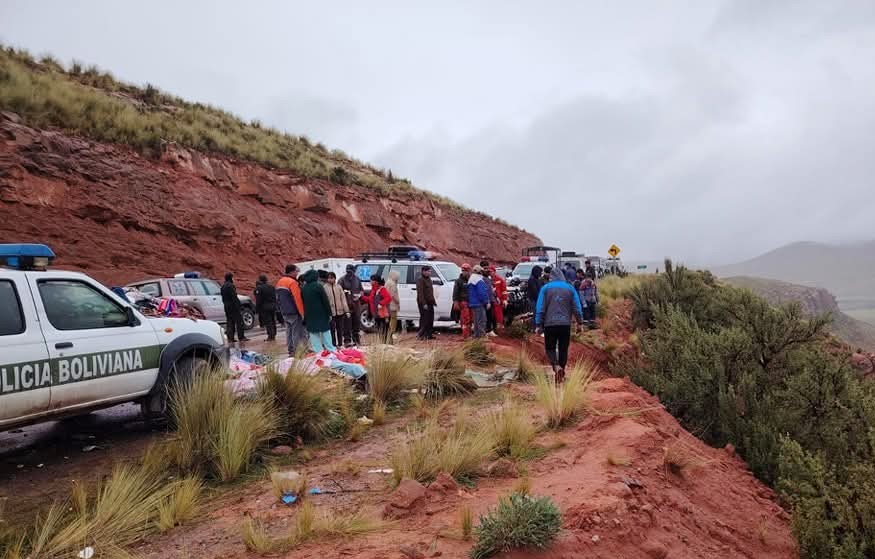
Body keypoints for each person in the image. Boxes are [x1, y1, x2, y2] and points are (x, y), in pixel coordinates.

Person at [535, 267, 584, 383]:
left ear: (550, 277)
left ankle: (556, 367)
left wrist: (538, 324)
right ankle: (561, 372)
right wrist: (580, 323)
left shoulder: (545, 288)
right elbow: (577, 308)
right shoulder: (570, 288)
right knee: (563, 349)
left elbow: (540, 308)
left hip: (550, 324)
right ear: (563, 276)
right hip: (565, 324)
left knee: (550, 348)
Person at [300, 269, 336, 353]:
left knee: (313, 333)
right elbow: (325, 301)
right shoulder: (318, 286)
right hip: (321, 313)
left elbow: (303, 302)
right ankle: (330, 349)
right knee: (325, 331)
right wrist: (329, 313)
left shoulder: (304, 288)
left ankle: (318, 352)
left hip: (309, 314)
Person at [277, 264, 306, 354]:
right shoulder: (292, 282)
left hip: (284, 312)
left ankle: (291, 350)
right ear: (292, 272)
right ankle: (297, 351)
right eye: (296, 271)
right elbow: (297, 298)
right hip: (294, 311)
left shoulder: (280, 282)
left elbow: (277, 298)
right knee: (296, 333)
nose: (297, 273)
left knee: (288, 332)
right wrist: (302, 313)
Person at [324, 272, 351, 348]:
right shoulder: (325, 288)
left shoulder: (339, 287)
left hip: (340, 312)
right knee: (332, 330)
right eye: (329, 278)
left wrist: (347, 311)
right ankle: (333, 345)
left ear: (335, 278)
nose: (330, 279)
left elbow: (343, 299)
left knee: (340, 329)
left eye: (332, 278)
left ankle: (340, 344)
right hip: (331, 313)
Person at [362, 275, 392, 343]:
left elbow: (388, 298)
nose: (370, 281)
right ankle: (383, 343)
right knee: (380, 330)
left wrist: (381, 303)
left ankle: (389, 344)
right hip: (376, 314)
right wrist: (361, 297)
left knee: (385, 330)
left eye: (371, 280)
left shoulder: (382, 289)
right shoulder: (373, 290)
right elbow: (370, 300)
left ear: (375, 282)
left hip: (383, 315)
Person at [339, 264, 363, 346]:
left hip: (356, 305)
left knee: (356, 323)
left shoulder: (357, 279)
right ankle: (347, 341)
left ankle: (356, 340)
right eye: (348, 272)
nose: (349, 273)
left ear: (354, 271)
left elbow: (361, 290)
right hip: (346, 305)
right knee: (346, 323)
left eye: (351, 272)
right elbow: (339, 291)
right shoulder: (342, 280)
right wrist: (345, 292)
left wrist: (359, 295)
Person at [220, 273, 248, 343]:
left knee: (230, 322)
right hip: (233, 306)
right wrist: (239, 306)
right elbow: (234, 297)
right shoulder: (231, 286)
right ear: (230, 278)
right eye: (233, 278)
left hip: (226, 306)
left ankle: (230, 338)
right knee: (239, 322)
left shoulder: (223, 286)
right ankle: (241, 337)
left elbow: (223, 298)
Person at [467, 265, 491, 338]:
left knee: (476, 321)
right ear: (480, 272)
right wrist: (486, 302)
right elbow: (482, 293)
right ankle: (482, 336)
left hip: (473, 303)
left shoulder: (471, 279)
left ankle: (476, 336)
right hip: (479, 303)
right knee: (482, 320)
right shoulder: (479, 280)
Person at [253, 274, 277, 341]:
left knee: (268, 322)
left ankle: (270, 336)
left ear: (260, 280)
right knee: (273, 320)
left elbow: (258, 300)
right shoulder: (271, 287)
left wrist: (257, 308)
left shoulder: (259, 288)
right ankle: (274, 334)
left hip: (264, 307)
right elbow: (274, 297)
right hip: (272, 306)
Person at [453, 263, 473, 338]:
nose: (465, 272)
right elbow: (455, 292)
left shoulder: (471, 280)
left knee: (471, 318)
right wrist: (455, 302)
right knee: (465, 318)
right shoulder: (458, 281)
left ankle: (469, 334)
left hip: (471, 302)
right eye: (463, 270)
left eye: (466, 271)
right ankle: (465, 335)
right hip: (463, 302)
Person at [416, 266, 436, 340]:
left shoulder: (429, 279)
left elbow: (430, 292)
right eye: (428, 271)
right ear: (423, 271)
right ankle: (421, 334)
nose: (429, 273)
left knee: (430, 318)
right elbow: (420, 293)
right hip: (423, 302)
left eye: (430, 271)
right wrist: (424, 303)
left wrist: (433, 301)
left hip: (430, 301)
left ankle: (429, 334)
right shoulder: (420, 280)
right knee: (425, 319)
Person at [385, 269, 402, 343]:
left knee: (390, 319)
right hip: (392, 304)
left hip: (388, 304)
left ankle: (390, 333)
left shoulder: (388, 282)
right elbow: (392, 295)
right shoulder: (392, 284)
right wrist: (397, 301)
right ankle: (391, 332)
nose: (398, 277)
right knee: (393, 319)